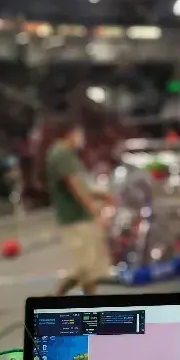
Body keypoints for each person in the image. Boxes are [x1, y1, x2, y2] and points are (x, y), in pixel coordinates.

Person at [45, 115, 112, 296]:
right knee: (84, 267)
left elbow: (82, 186)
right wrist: (95, 210)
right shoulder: (61, 154)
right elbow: (75, 187)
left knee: (90, 268)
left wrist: (104, 196)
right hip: (75, 218)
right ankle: (54, 298)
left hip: (81, 216)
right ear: (71, 133)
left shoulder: (66, 155)